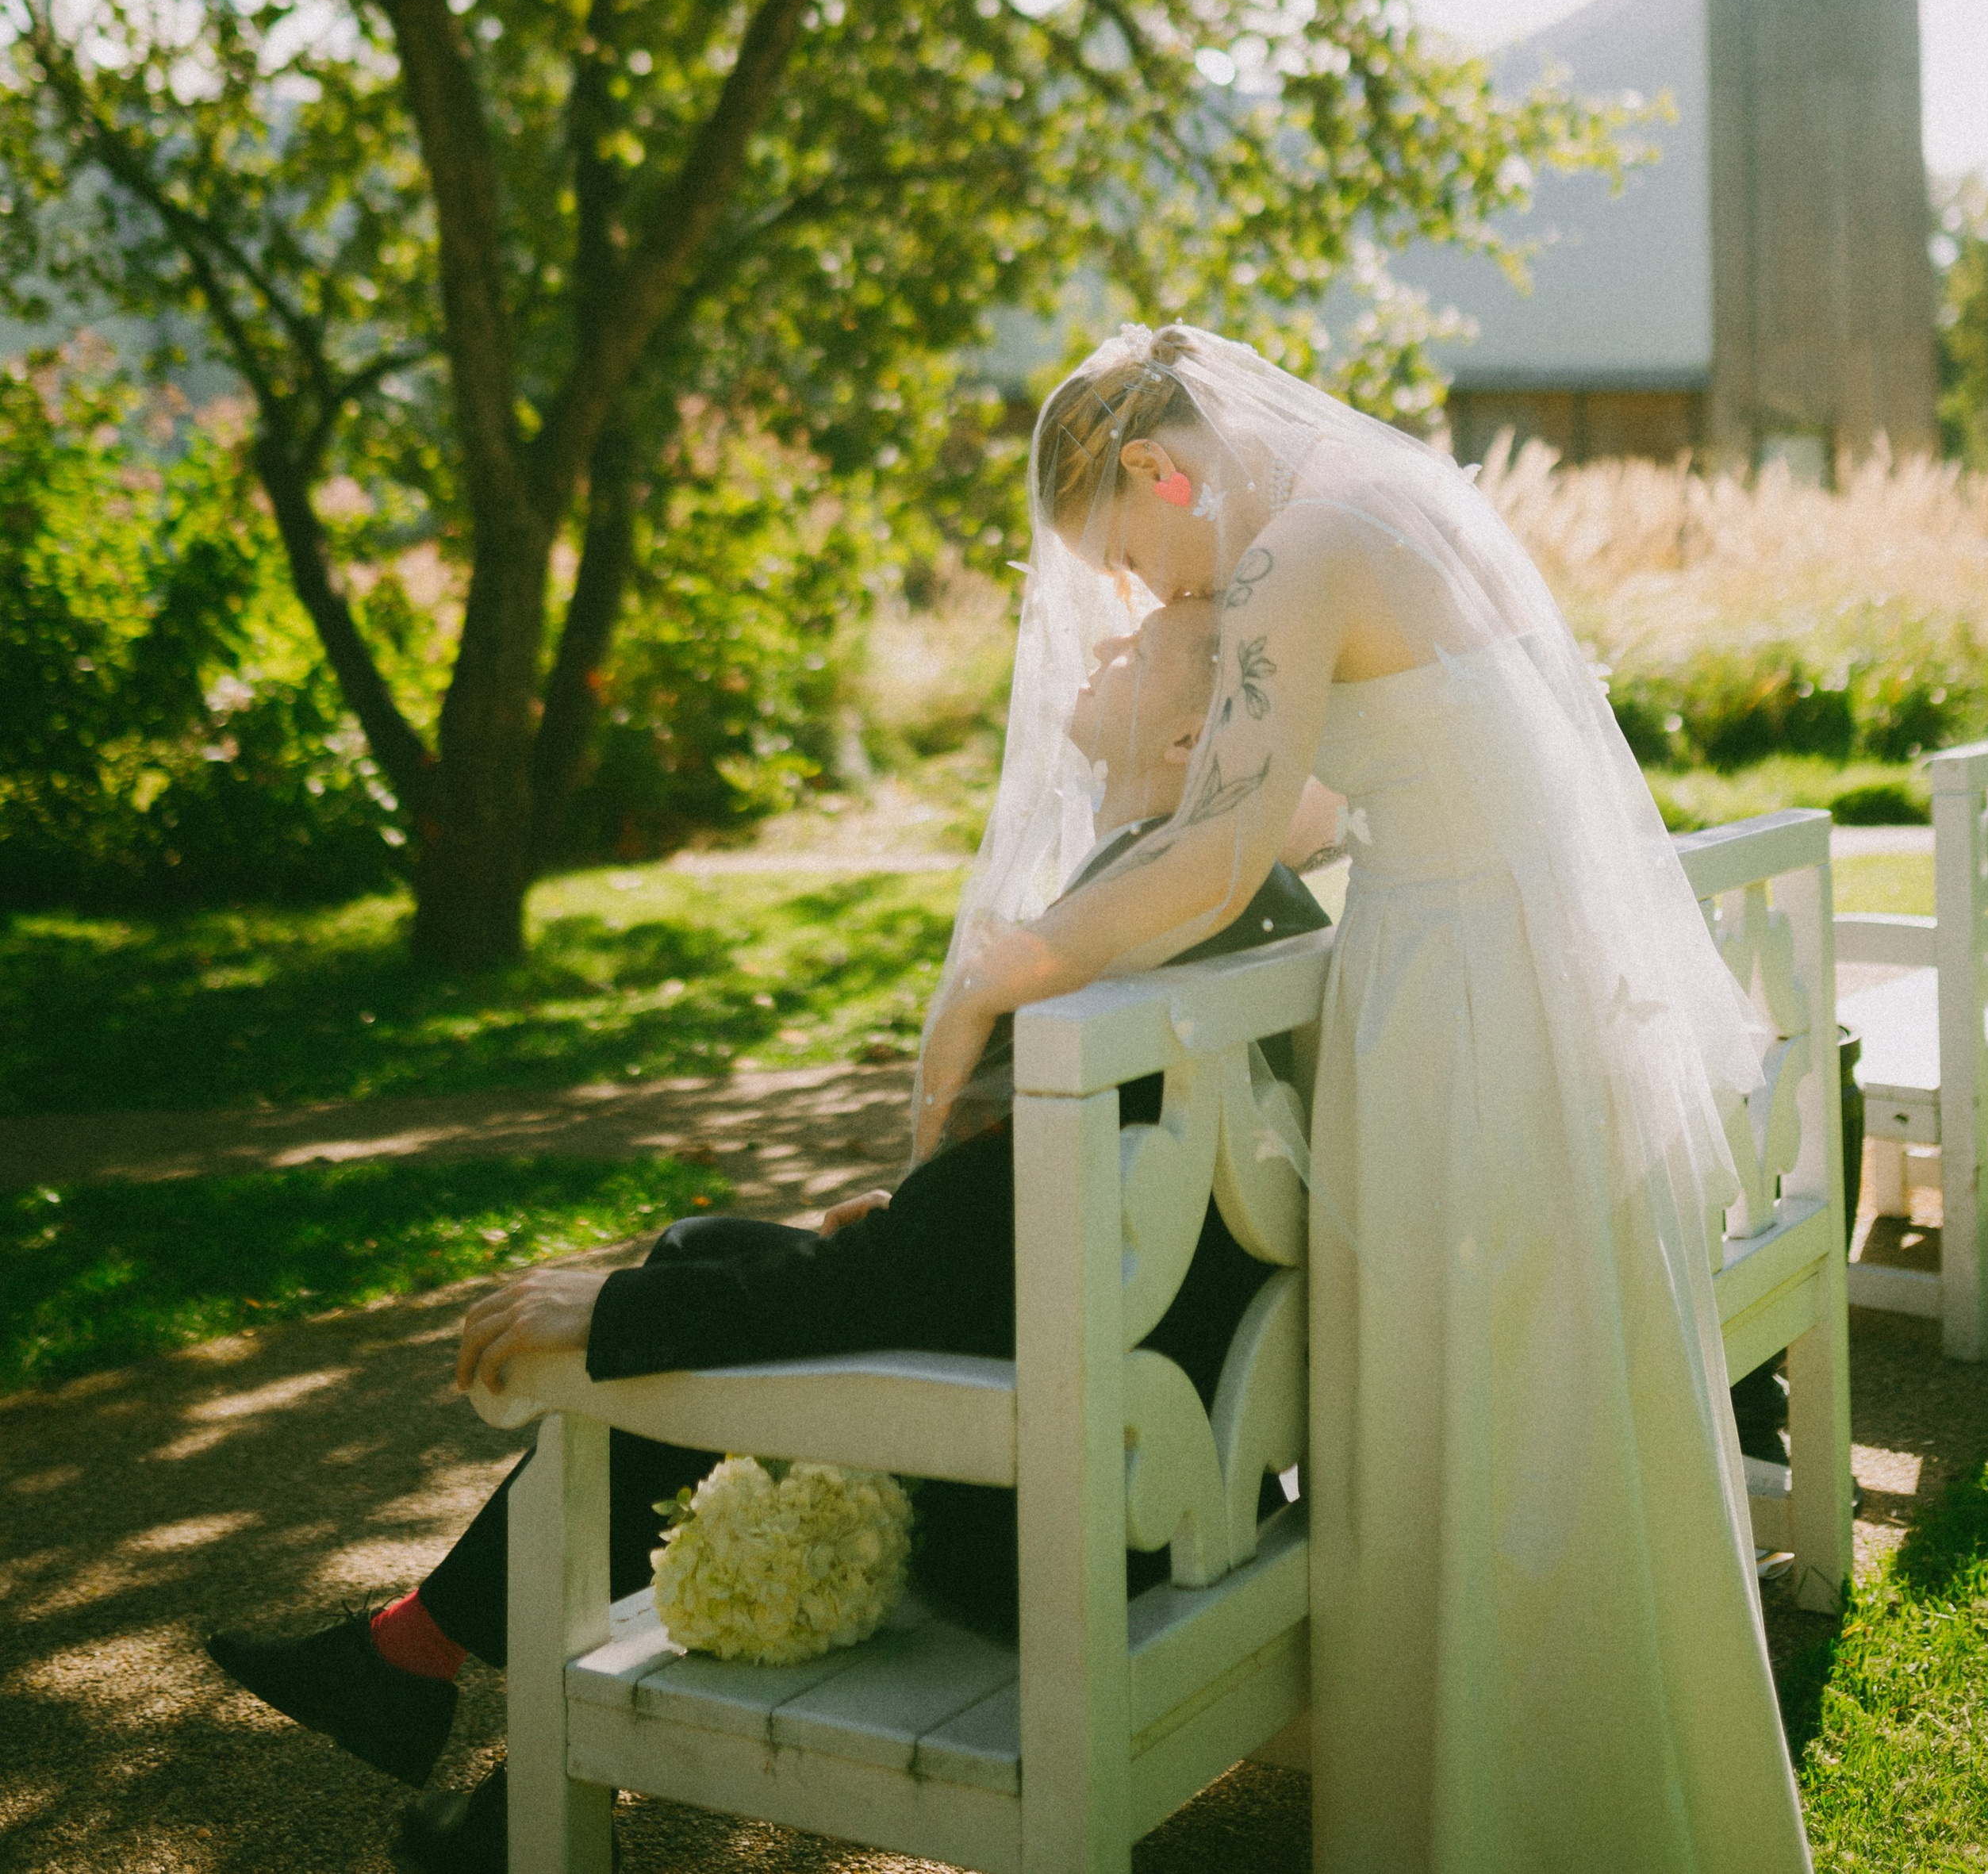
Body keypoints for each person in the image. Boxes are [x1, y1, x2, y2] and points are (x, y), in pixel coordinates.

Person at [205, 587, 1343, 1874]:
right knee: (706, 1253)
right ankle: (420, 1662)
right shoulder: (1235, 901)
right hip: (1158, 1435)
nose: (1097, 642)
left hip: (1065, 1518)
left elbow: (919, 1274)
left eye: (1138, 646)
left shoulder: (1129, 925)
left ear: (1193, 743)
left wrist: (613, 1317)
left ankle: (419, 1660)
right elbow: (1010, 1222)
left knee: (670, 1304)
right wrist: (899, 1213)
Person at [911, 324, 1813, 1874]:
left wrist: (1014, 961)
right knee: (1552, 1411)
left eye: (1132, 549)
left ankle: (1493, 1818)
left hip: (1464, 1001)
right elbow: (1369, 773)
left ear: (1158, 465)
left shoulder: (1284, 556)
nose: (1149, 593)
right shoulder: (1391, 485)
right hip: (1533, 972)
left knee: (1472, 1417)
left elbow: (1220, 851)